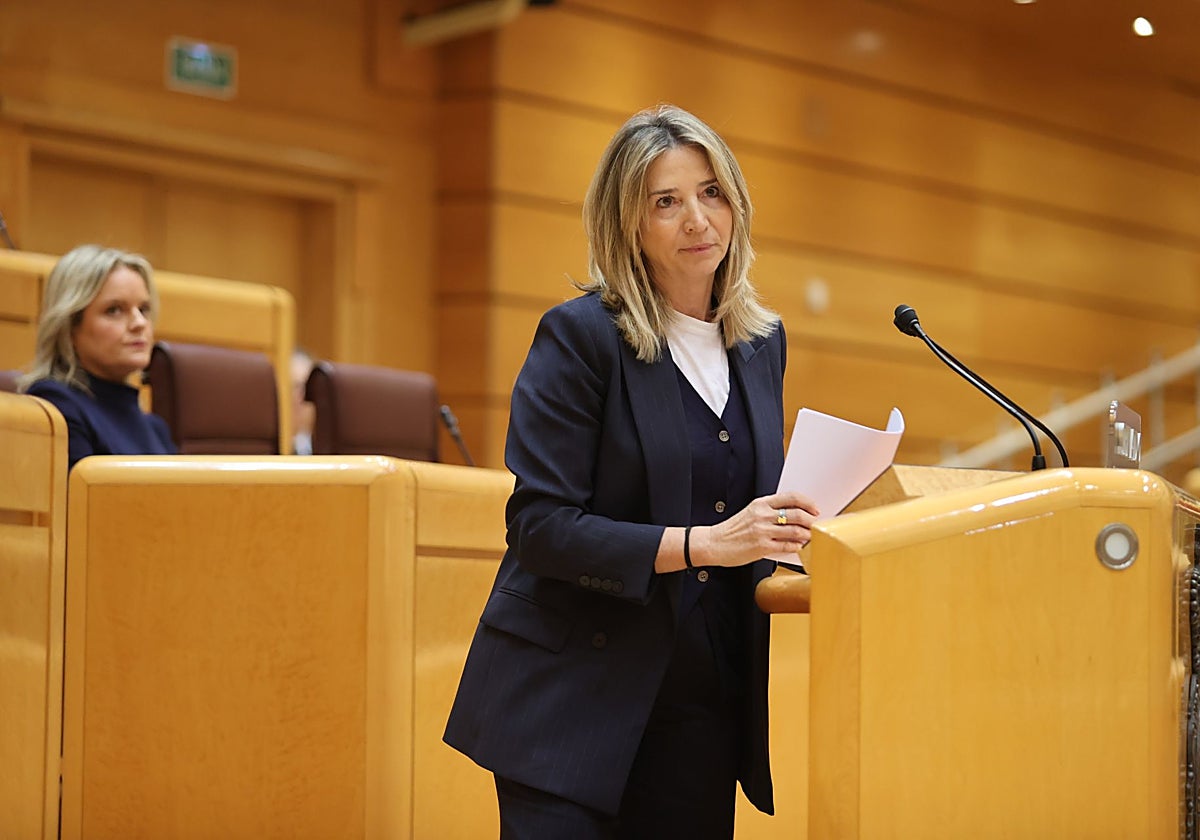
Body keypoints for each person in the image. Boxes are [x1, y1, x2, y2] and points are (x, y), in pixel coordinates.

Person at [444, 104, 820, 839]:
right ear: (630, 225)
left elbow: (746, 501)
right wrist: (703, 544)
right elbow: (542, 528)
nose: (697, 219)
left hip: (701, 707)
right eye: (666, 202)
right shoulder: (582, 337)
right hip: (570, 700)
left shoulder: (761, 344)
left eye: (712, 192)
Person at [19, 244, 175, 469]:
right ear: (69, 326)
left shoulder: (155, 429)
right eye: (114, 310)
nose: (139, 323)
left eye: (143, 309)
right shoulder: (56, 408)